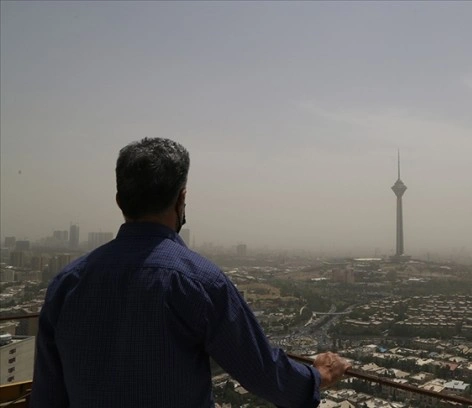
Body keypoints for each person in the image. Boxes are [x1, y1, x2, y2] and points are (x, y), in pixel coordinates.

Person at [31, 138, 350, 408]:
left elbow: (47, 393)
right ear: (182, 199)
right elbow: (263, 372)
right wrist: (319, 376)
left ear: (119, 201)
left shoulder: (67, 282)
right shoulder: (199, 282)